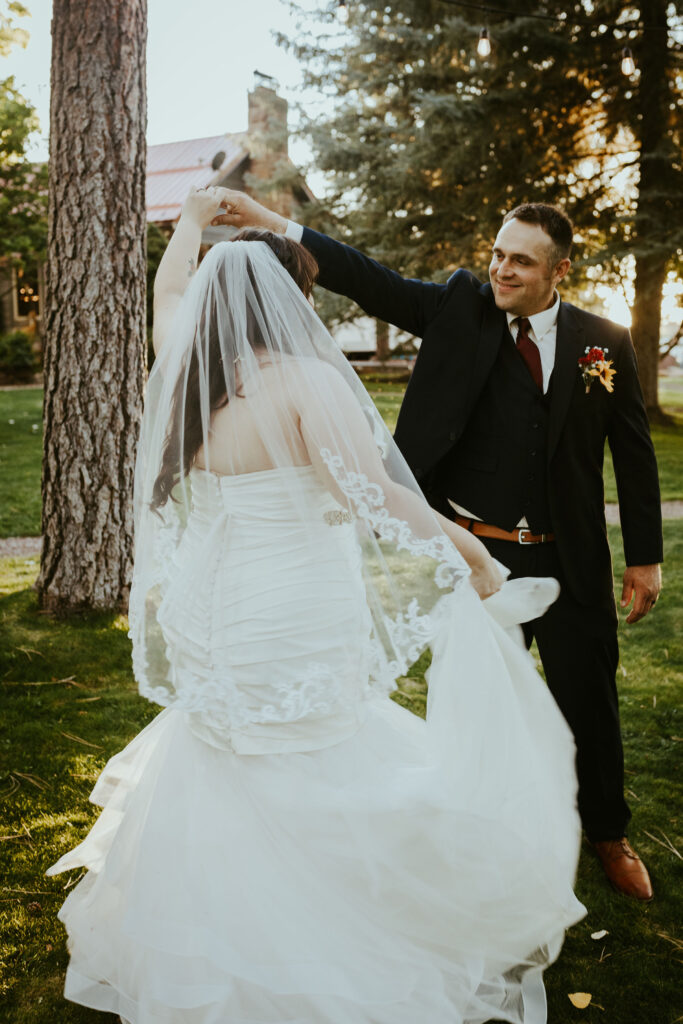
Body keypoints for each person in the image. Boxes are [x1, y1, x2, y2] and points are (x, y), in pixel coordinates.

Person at [47, 186, 585, 1024]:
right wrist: (471, 549)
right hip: (291, 601)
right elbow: (376, 496)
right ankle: (330, 937)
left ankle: (215, 930)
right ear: (292, 299)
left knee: (231, 753)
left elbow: (169, 296)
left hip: (213, 608)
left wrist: (190, 224)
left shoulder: (191, 371)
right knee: (314, 755)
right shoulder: (303, 382)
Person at [210, 192, 663, 902]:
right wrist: (271, 224)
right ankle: (482, 827)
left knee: (590, 701)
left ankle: (607, 834)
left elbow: (633, 453)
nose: (501, 269)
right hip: (475, 558)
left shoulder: (604, 339)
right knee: (476, 702)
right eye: (496, 254)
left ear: (559, 270)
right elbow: (366, 277)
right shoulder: (460, 306)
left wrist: (643, 556)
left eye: (520, 260)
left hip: (571, 555)